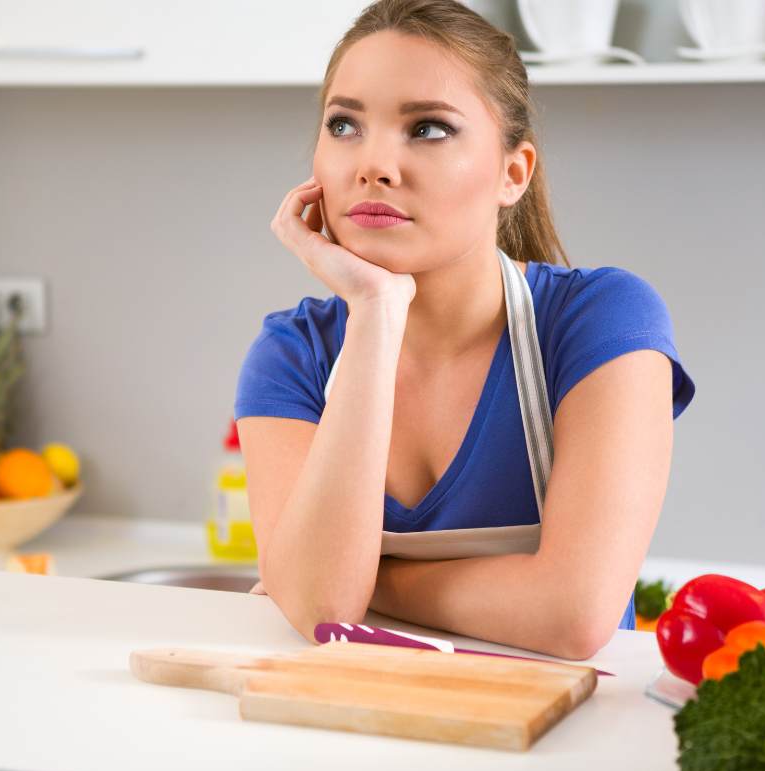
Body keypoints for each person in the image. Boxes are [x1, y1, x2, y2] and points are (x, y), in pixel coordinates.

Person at [233, 0, 696, 660]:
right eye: (344, 124)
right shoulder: (293, 355)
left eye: (427, 129)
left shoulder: (603, 321)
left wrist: (371, 585)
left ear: (513, 173)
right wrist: (374, 311)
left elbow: (573, 616)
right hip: (357, 731)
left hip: (561, 740)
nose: (373, 165)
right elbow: (321, 611)